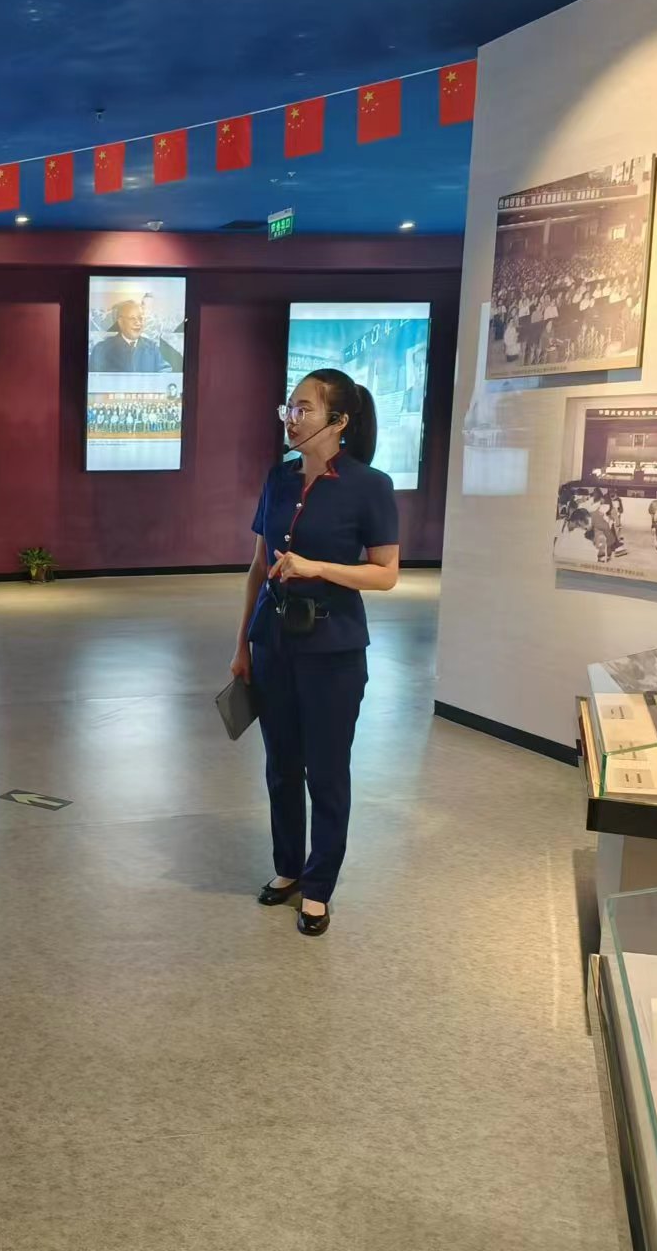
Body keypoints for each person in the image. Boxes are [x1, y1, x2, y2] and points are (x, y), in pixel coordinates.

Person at [229, 369, 399, 938]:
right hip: (273, 643)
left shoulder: (369, 485)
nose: (291, 417)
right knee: (281, 766)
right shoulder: (278, 478)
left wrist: (318, 568)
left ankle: (319, 886)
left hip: (333, 650)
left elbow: (386, 573)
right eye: (289, 407)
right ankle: (288, 867)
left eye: (303, 408)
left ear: (339, 420)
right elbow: (258, 567)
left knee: (325, 771)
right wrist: (242, 645)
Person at [89, 300, 167, 373]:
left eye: (140, 318)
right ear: (121, 322)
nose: (138, 323)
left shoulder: (152, 348)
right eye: (132, 318)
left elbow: (165, 371)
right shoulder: (102, 349)